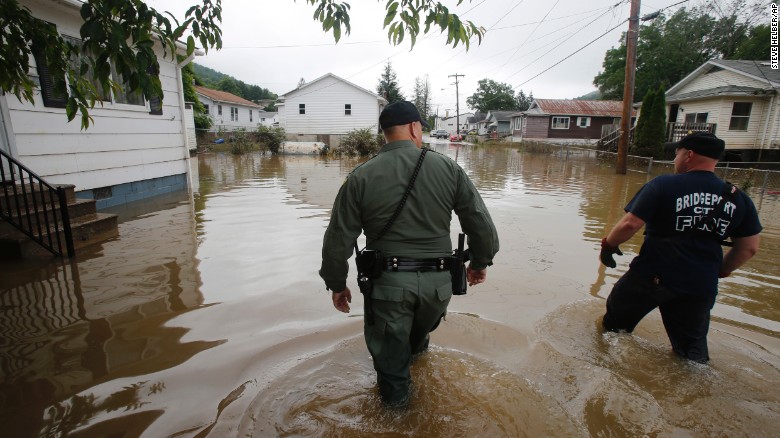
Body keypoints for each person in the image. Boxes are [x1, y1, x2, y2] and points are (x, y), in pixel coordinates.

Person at [319, 100, 499, 406]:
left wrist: (337, 284)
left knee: (392, 372)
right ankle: (419, 376)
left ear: (385, 133)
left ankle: (398, 418)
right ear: (415, 127)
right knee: (417, 344)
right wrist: (480, 262)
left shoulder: (360, 177)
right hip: (439, 287)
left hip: (389, 288)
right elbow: (482, 227)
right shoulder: (448, 168)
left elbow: (337, 240)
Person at [599, 131, 762, 363]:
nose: (675, 159)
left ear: (689, 155)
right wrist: (720, 271)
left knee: (613, 330)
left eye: (677, 154)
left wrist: (608, 245)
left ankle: (605, 366)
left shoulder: (664, 184)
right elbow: (749, 248)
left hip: (651, 277)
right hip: (700, 286)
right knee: (691, 354)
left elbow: (630, 224)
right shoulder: (738, 198)